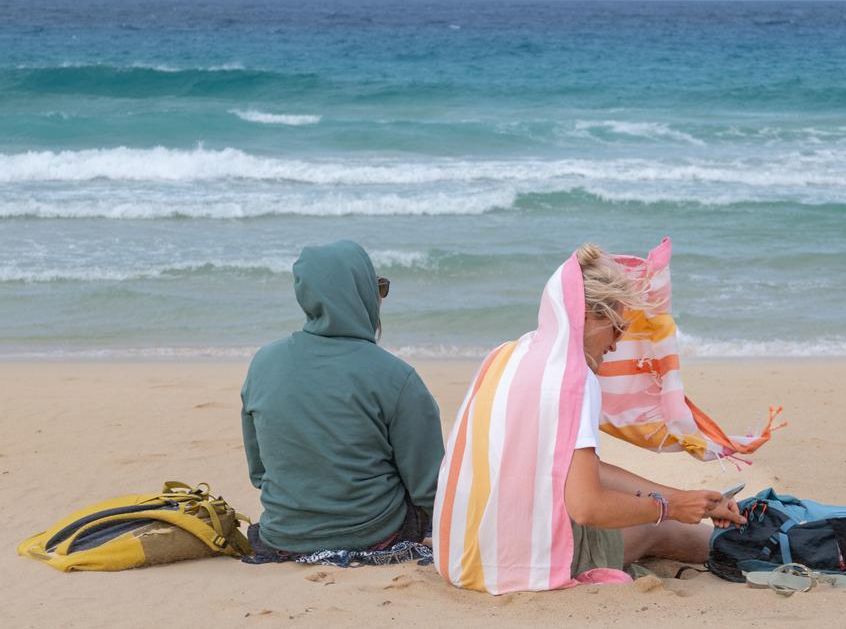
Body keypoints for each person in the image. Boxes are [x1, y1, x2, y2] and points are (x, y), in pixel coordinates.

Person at [433, 243, 745, 594]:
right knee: (658, 529)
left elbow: (580, 472)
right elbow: (587, 507)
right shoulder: (574, 378)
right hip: (513, 566)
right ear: (590, 316)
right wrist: (670, 509)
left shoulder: (505, 354)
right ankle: (760, 544)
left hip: (459, 553)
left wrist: (686, 497)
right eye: (617, 328)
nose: (617, 344)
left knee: (640, 509)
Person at [240, 240, 444, 558]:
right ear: (362, 295)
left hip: (283, 537)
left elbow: (259, 473)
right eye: (379, 287)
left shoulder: (263, 363)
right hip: (375, 533)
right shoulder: (397, 376)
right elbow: (429, 487)